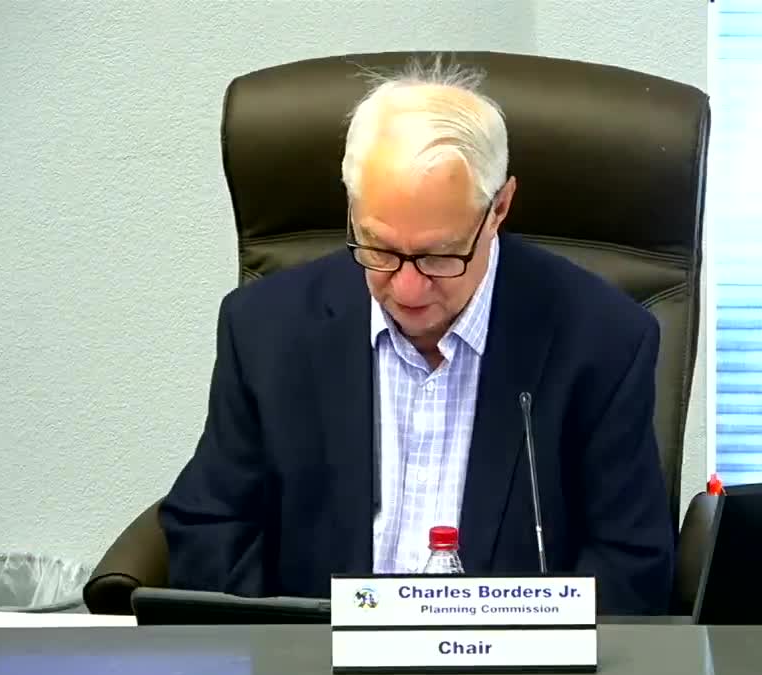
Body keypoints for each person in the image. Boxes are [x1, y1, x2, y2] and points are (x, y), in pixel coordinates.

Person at [160, 58, 676, 615]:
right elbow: (210, 527)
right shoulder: (266, 330)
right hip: (317, 660)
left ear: (499, 208)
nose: (406, 288)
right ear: (352, 206)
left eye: (439, 255)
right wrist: (289, 655)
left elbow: (631, 563)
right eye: (379, 248)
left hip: (511, 665)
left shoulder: (603, 342)